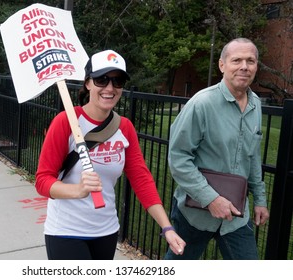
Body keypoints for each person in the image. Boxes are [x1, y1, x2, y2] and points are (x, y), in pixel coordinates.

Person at [35, 50, 186, 260]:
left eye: (117, 81)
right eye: (101, 79)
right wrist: (78, 190)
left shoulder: (124, 127)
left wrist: (167, 227)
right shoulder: (66, 121)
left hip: (105, 231)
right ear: (87, 83)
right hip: (66, 231)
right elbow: (42, 181)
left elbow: (142, 180)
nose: (109, 88)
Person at [165, 38, 270, 260]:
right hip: (194, 215)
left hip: (236, 217)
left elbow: (252, 156)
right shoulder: (201, 104)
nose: (244, 66)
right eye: (237, 60)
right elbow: (178, 158)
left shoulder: (256, 105)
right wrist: (211, 199)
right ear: (222, 65)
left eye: (250, 61)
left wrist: (260, 199)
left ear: (256, 66)